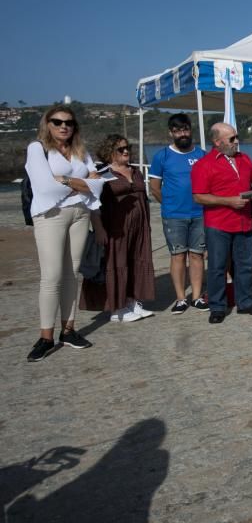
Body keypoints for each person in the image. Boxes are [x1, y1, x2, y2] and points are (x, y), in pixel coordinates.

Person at [24, 106, 103, 361]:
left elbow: (98, 185)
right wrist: (84, 185)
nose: (63, 126)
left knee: (72, 273)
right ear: (47, 124)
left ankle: (68, 330)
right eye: (56, 122)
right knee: (52, 277)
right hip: (50, 216)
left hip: (79, 214)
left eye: (68, 122)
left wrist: (67, 181)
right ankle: (45, 337)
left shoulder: (81, 150)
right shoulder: (37, 148)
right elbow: (45, 188)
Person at [191, 122, 252, 324]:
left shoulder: (244, 158)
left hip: (243, 222)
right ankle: (217, 306)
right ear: (217, 142)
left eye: (236, 137)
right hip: (219, 224)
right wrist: (228, 201)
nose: (237, 141)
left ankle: (245, 302)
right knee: (217, 267)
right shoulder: (204, 165)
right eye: (232, 138)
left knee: (245, 265)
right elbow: (199, 196)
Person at [80, 135, 155, 323]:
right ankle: (116, 307)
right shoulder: (102, 173)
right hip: (115, 227)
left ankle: (133, 301)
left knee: (137, 260)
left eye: (127, 147)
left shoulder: (136, 171)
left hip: (139, 227)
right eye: (121, 149)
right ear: (110, 152)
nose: (126, 151)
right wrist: (98, 228)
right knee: (117, 263)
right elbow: (92, 203)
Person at [148, 113, 208, 314]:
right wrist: (171, 205)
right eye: (177, 130)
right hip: (174, 216)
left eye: (185, 129)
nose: (182, 134)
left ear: (190, 130)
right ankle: (181, 298)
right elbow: (155, 188)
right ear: (171, 133)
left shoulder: (202, 154)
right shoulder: (162, 156)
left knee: (197, 256)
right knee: (178, 256)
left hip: (200, 213)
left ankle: (197, 297)